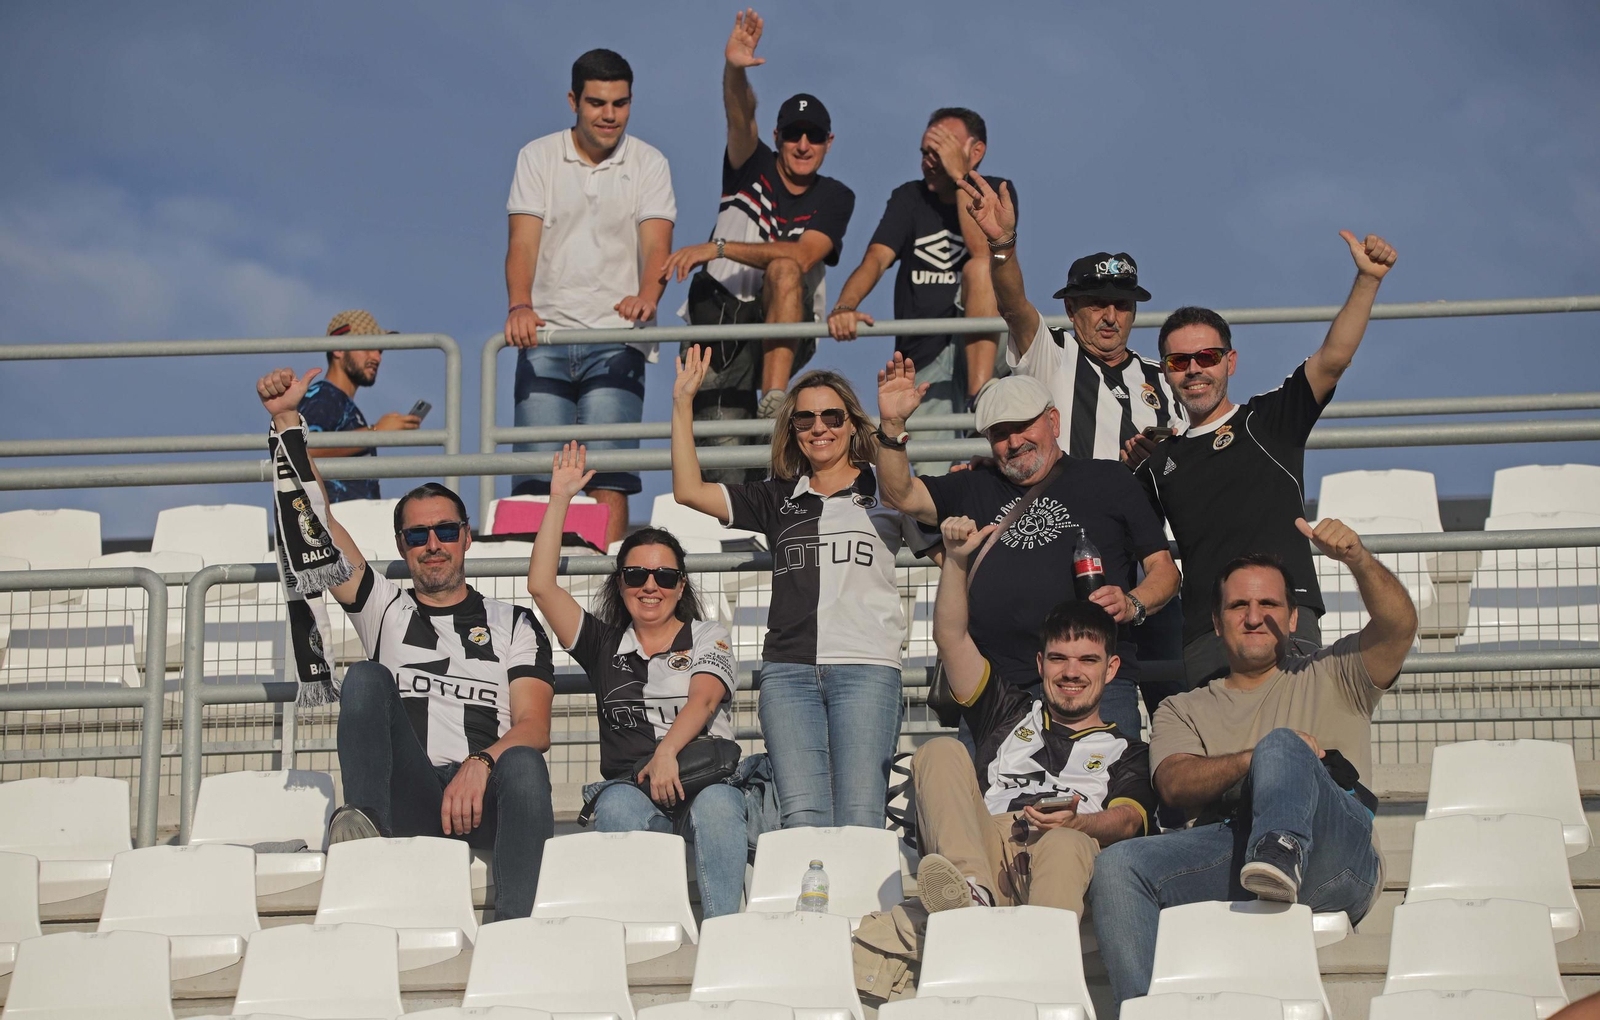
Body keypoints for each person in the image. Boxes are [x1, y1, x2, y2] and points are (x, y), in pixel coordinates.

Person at [258, 366, 558, 920]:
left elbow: (533, 727)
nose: (433, 545)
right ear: (403, 544)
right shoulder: (388, 608)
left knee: (524, 764)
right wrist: (286, 421)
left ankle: (514, 934)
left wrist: (479, 763)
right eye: (417, 536)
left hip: (482, 796)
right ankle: (367, 833)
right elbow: (319, 531)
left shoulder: (512, 622)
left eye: (446, 531)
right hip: (412, 794)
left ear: (467, 537)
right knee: (368, 676)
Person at [1088, 518, 1417, 1009]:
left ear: (1291, 618)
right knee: (1117, 865)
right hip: (1240, 853)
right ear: (1217, 623)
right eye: (1238, 605)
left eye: (1269, 605)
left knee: (1284, 745)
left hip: (1335, 854)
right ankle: (1146, 1012)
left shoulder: (1335, 671)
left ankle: (1282, 849)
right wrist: (1252, 760)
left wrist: (1358, 560)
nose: (1253, 616)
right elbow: (1174, 783)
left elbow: (1399, 626)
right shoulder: (1183, 707)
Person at [670, 344, 934, 828]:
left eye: (832, 417)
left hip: (866, 669)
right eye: (806, 419)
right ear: (792, 430)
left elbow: (948, 552)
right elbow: (688, 490)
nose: (820, 428)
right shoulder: (777, 497)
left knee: (859, 814)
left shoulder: (887, 489)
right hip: (789, 675)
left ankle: (865, 909)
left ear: (853, 423)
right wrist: (683, 401)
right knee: (802, 817)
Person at [1133, 232, 1399, 685]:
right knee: (1221, 756)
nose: (1194, 368)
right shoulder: (1157, 463)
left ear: (1230, 362)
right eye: (1179, 361)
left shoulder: (1269, 420)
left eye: (1207, 356)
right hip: (1205, 633)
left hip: (1285, 620)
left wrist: (1367, 280)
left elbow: (1333, 359)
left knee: (1290, 748)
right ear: (1165, 372)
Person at [877, 363, 1179, 741]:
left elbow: (1165, 571)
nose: (1014, 442)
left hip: (1094, 683)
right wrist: (891, 426)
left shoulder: (1111, 479)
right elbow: (898, 494)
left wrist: (1133, 603)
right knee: (990, 802)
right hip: (996, 692)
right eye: (1000, 434)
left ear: (1053, 421)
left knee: (1100, 800)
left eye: (1023, 426)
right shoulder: (972, 485)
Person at [527, 442, 747, 917]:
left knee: (719, 809)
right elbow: (541, 586)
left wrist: (666, 752)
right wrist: (561, 499)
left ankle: (724, 937)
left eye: (665, 576)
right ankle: (645, 933)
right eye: (637, 574)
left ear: (681, 586)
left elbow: (705, 700)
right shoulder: (602, 644)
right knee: (617, 808)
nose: (651, 585)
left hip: (703, 784)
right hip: (633, 787)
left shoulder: (708, 634)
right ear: (620, 582)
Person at [914, 516, 1155, 915]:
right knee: (939, 750)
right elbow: (952, 639)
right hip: (985, 847)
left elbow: (1129, 821)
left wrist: (1079, 824)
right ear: (1041, 664)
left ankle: (1041, 958)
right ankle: (970, 893)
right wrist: (956, 561)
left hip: (1063, 858)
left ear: (1111, 669)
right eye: (1059, 659)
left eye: (1087, 661)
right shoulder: (1007, 710)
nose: (1072, 672)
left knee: (1065, 843)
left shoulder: (1130, 752)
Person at [663, 8, 856, 484]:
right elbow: (739, 113)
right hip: (720, 321)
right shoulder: (751, 163)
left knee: (787, 269)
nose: (803, 143)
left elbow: (802, 256)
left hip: (782, 333)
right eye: (793, 133)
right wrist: (734, 68)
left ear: (829, 142)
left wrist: (720, 248)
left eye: (814, 136)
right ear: (777, 138)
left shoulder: (835, 195)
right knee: (727, 463)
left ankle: (775, 399)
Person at [503, 48, 676, 545]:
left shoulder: (649, 162)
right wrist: (519, 304)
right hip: (544, 336)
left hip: (617, 339)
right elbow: (522, 242)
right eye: (597, 103)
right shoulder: (537, 156)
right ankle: (534, 596)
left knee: (609, 476)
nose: (609, 115)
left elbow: (657, 244)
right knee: (538, 479)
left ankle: (608, 598)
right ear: (573, 100)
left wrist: (648, 294)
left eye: (620, 103)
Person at [827, 109, 1017, 467]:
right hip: (924, 357)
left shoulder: (995, 193)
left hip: (988, 351)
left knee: (979, 268)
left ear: (975, 152)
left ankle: (981, 399)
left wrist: (960, 175)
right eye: (925, 152)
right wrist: (843, 306)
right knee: (934, 475)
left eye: (941, 149)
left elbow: (983, 253)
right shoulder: (909, 197)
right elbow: (875, 260)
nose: (930, 161)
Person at [956, 172, 1183, 463]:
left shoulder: (1162, 377)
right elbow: (1013, 308)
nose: (1111, 317)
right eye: (1098, 304)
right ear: (1070, 310)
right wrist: (1002, 243)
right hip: (1070, 507)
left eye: (1122, 305)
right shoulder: (1053, 352)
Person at [299, 309, 421, 503]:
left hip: (347, 523)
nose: (377, 357)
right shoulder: (324, 396)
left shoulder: (335, 399)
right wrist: (376, 432)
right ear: (338, 348)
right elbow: (303, 451)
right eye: (367, 346)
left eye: (380, 349)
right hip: (331, 525)